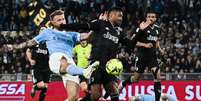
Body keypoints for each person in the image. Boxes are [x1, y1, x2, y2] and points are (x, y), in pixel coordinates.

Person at [1, 10, 99, 101]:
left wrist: (96, 25)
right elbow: (29, 43)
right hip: (56, 58)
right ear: (52, 22)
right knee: (63, 60)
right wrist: (13, 47)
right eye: (58, 20)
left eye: (63, 19)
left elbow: (87, 36)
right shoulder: (47, 32)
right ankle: (85, 71)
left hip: (71, 63)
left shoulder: (71, 34)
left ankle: (83, 72)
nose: (62, 21)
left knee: (73, 97)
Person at [61, 7, 151, 101]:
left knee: (114, 90)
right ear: (111, 15)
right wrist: (63, 26)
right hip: (96, 64)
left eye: (122, 16)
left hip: (109, 66)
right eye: (119, 16)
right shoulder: (100, 24)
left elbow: (130, 44)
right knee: (96, 95)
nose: (121, 18)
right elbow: (82, 25)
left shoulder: (119, 31)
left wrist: (140, 31)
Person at [118, 9, 164, 101]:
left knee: (157, 76)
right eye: (149, 17)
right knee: (135, 79)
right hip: (141, 55)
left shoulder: (158, 29)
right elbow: (132, 41)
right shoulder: (141, 27)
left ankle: (157, 99)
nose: (151, 18)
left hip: (152, 56)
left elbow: (156, 40)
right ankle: (123, 83)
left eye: (153, 17)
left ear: (156, 18)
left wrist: (159, 49)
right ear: (146, 18)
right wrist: (145, 45)